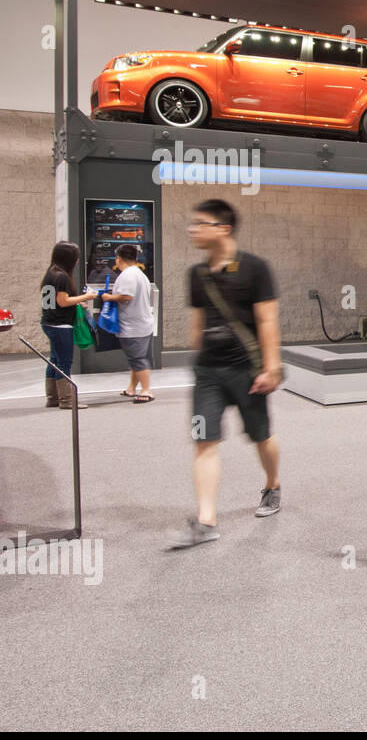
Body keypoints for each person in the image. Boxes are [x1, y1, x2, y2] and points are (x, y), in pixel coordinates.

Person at [169, 199, 283, 549]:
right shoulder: (197, 275)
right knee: (204, 441)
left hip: (247, 373)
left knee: (261, 437)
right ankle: (207, 521)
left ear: (224, 228)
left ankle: (273, 484)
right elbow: (197, 324)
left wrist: (272, 367)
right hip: (208, 373)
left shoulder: (255, 269)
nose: (193, 230)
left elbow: (267, 321)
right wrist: (197, 358)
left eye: (200, 223)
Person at [39, 241, 98, 410]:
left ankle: (53, 398)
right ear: (69, 258)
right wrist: (86, 297)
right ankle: (66, 400)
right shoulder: (62, 276)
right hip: (60, 325)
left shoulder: (51, 273)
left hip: (49, 322)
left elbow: (53, 302)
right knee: (64, 361)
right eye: (76, 256)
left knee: (54, 360)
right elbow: (63, 302)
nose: (78, 259)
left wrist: (77, 302)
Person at [99, 245, 155, 402]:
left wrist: (109, 298)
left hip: (133, 326)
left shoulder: (128, 275)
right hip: (142, 323)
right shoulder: (139, 274)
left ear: (118, 258)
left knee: (138, 359)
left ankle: (146, 390)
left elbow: (126, 296)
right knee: (135, 358)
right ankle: (132, 388)